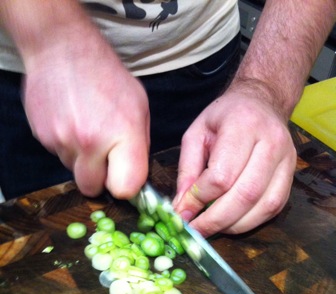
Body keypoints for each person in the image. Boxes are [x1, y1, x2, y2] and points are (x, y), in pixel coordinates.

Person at [0, 1, 335, 237]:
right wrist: (51, 38)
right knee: (45, 237)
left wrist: (265, 87)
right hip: (30, 70)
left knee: (226, 199)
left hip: (199, 62)